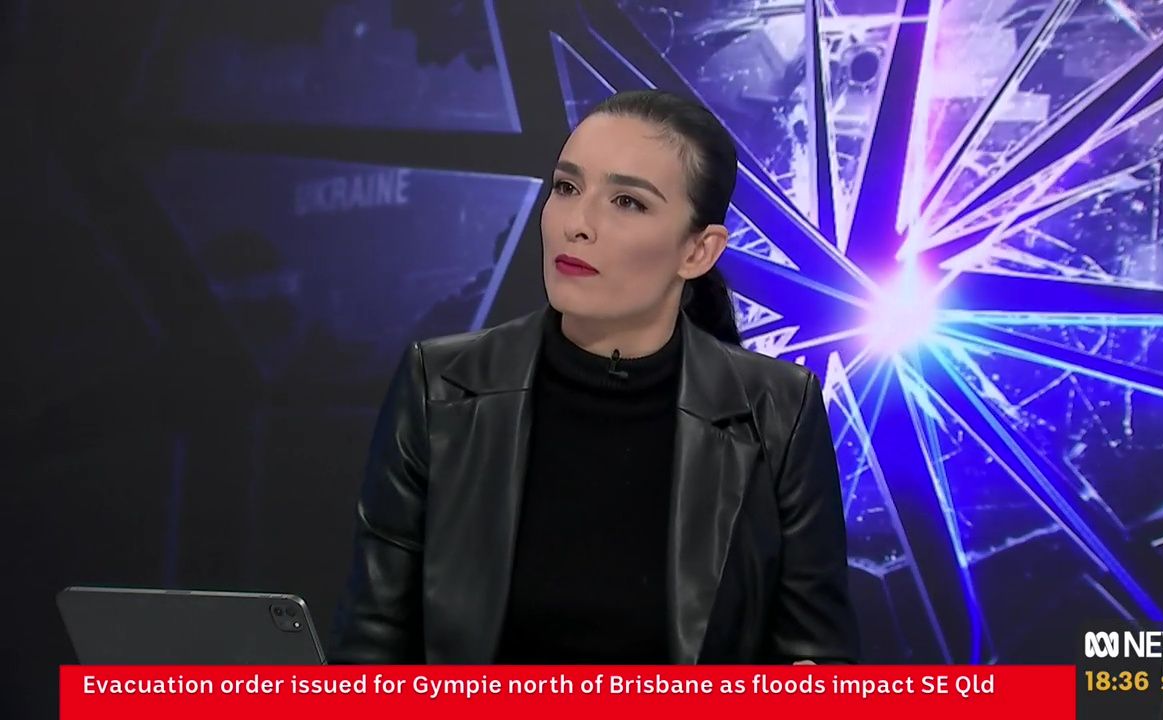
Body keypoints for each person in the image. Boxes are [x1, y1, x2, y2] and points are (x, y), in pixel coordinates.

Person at [328, 89, 859, 664]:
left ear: (698, 251)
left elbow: (817, 661)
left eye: (627, 202)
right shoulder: (441, 387)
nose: (577, 224)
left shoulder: (777, 411)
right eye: (566, 188)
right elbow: (371, 651)